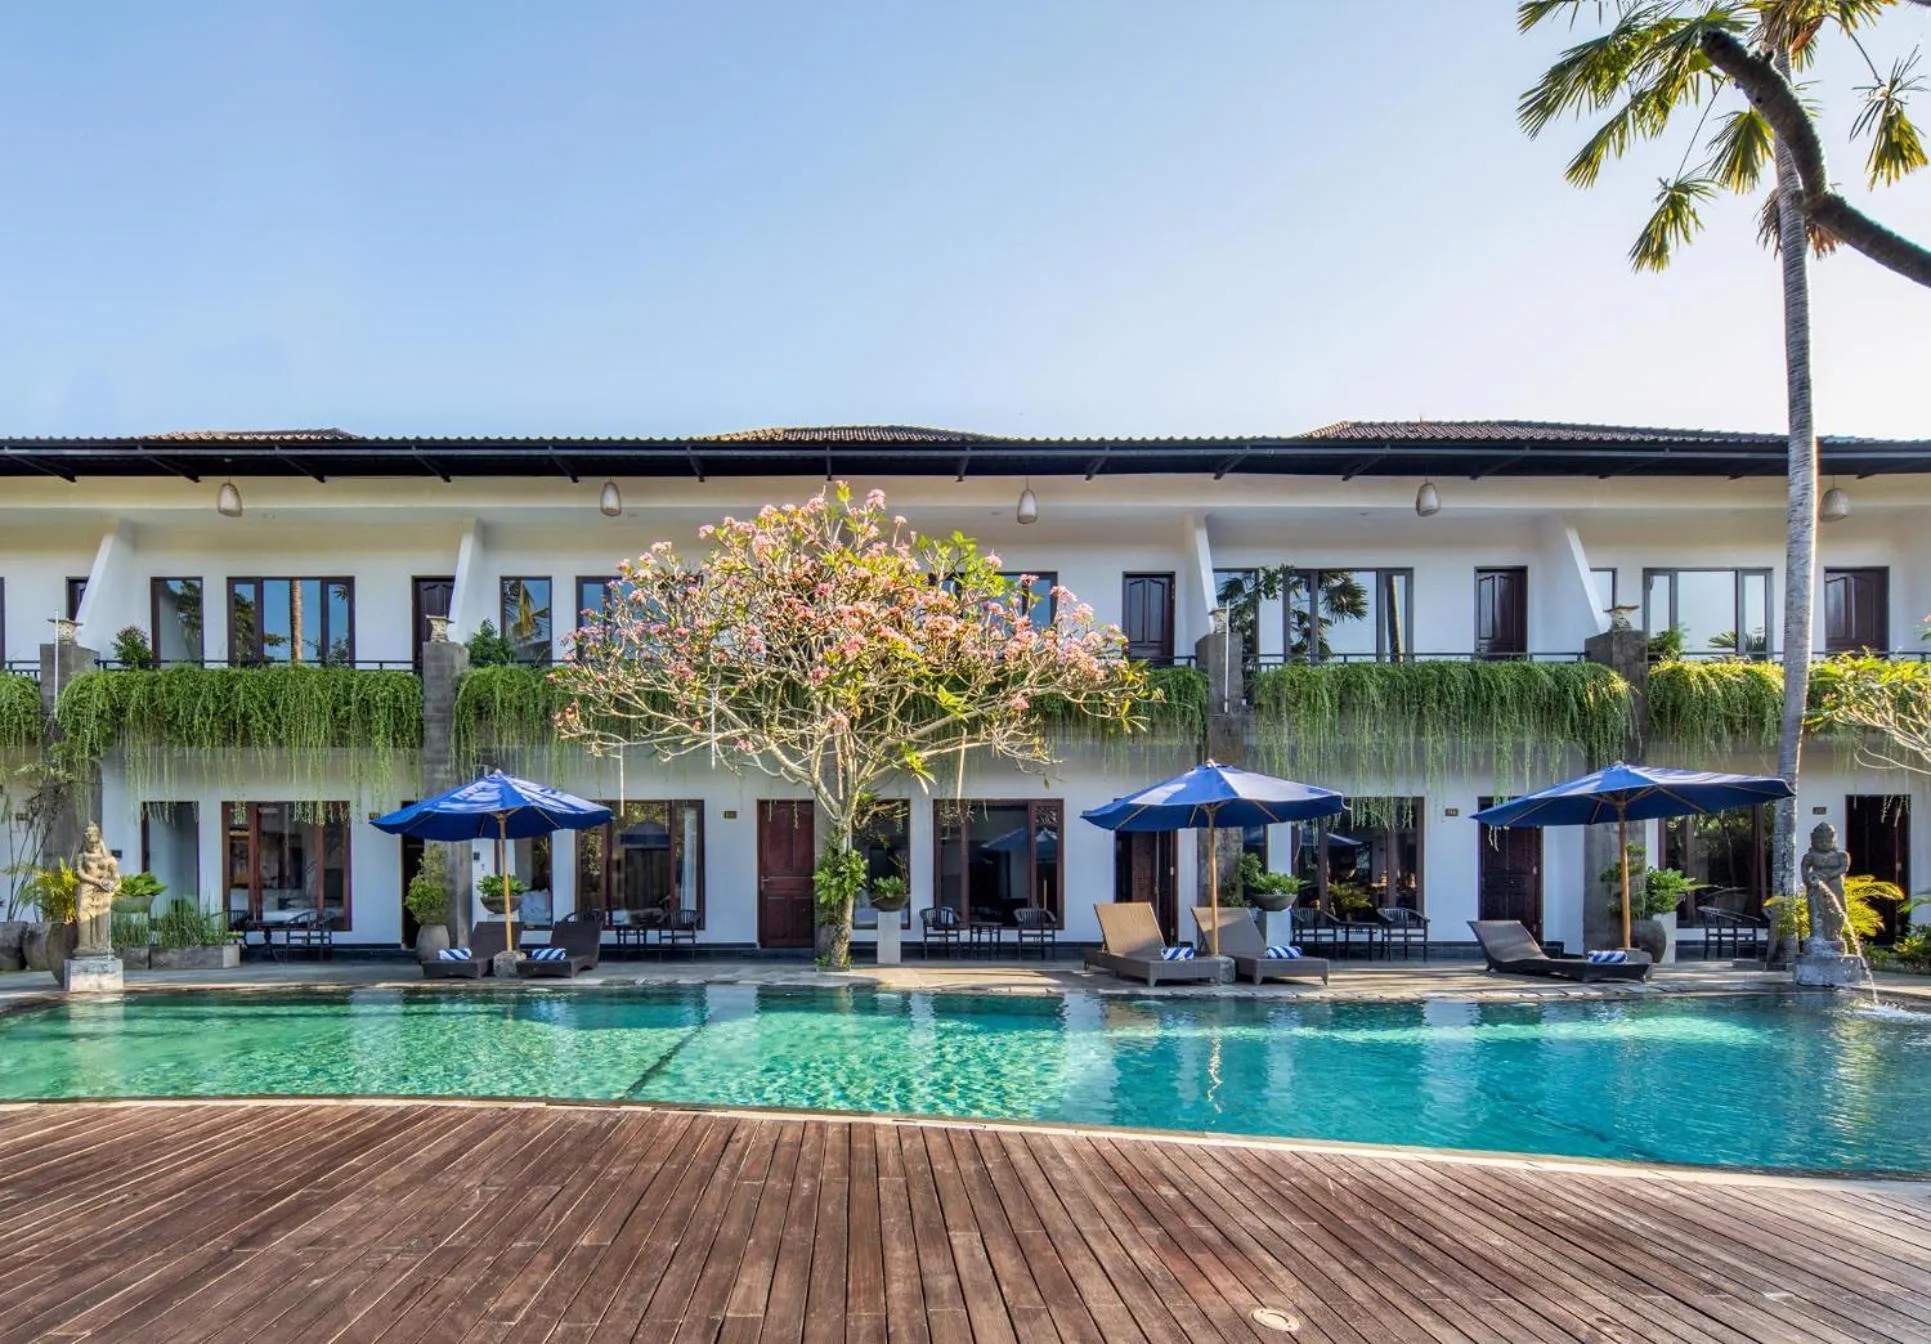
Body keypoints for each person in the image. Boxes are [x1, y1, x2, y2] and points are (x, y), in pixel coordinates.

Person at [73, 823, 122, 957]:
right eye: (90, 842)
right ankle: (84, 945)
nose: (93, 845)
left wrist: (111, 881)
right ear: (85, 841)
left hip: (102, 890)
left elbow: (115, 876)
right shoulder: (81, 856)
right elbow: (79, 874)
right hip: (87, 887)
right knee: (82, 912)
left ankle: (102, 944)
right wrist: (97, 881)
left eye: (95, 842)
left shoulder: (107, 858)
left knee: (102, 915)